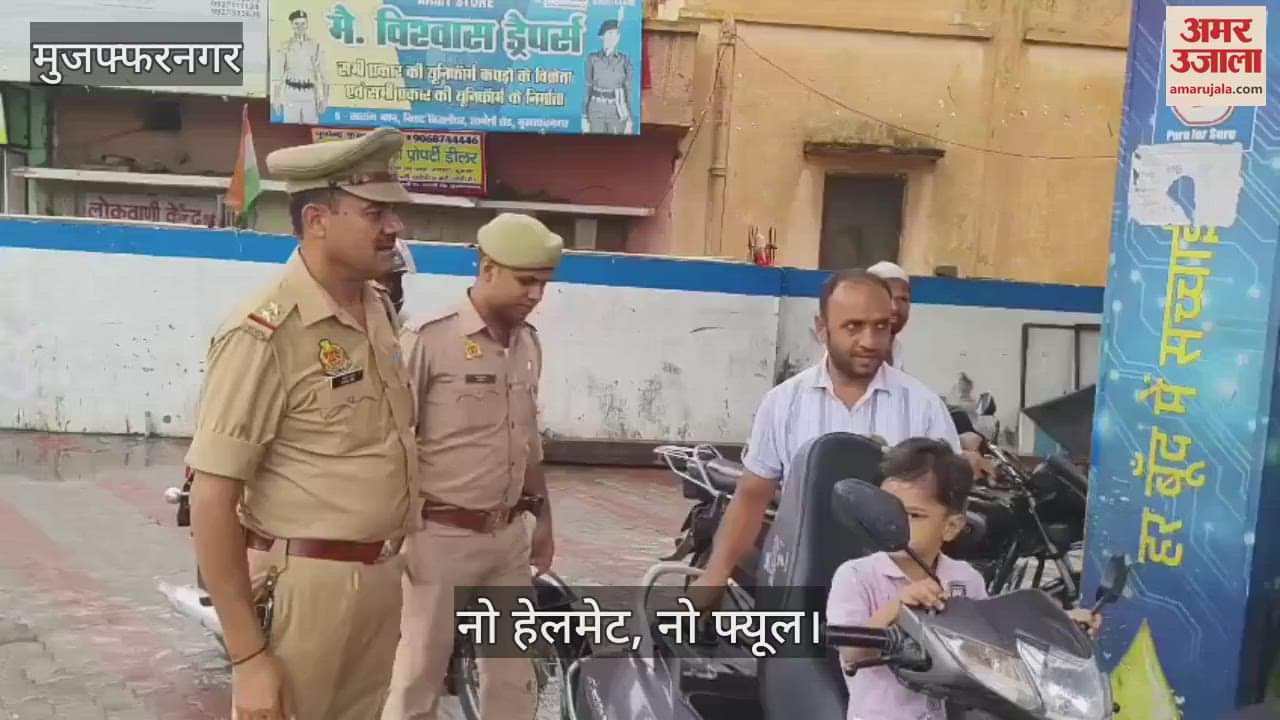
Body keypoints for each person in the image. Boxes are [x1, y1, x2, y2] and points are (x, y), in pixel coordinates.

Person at [185, 126, 418, 720]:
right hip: (306, 591)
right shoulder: (263, 332)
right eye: (374, 212)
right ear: (317, 219)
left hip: (381, 582)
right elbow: (213, 496)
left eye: (392, 211)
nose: (393, 228)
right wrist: (247, 659)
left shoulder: (377, 310)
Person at [688, 269, 964, 607]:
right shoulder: (783, 403)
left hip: (893, 600)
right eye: (853, 327)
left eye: (881, 326)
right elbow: (751, 498)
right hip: (800, 585)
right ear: (822, 329)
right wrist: (715, 574)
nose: (869, 341)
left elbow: (945, 511)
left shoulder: (924, 408)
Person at [383, 212, 563, 720]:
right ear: (486, 268)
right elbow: (393, 439)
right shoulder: (428, 339)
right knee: (420, 672)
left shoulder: (527, 345)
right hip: (439, 535)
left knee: (512, 678)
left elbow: (526, 441)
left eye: (543, 284)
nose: (535, 295)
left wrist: (543, 519)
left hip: (507, 538)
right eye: (525, 281)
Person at [827, 438, 1101, 720]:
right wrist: (897, 607)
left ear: (952, 526)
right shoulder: (856, 576)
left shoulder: (965, 578)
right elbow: (851, 653)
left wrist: (1060, 628)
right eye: (887, 510)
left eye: (913, 514)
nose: (893, 523)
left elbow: (995, 649)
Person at [273, 9, 328, 124]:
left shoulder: (315, 45)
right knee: (289, 130)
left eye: (303, 23)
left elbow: (324, 75)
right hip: (291, 93)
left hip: (310, 94)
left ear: (307, 24)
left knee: (311, 128)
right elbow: (278, 75)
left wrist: (325, 99)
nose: (300, 27)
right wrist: (276, 99)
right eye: (296, 24)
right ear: (292, 25)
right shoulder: (285, 45)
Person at [582, 19, 634, 134]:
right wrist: (584, 117)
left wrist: (630, 119)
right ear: (602, 36)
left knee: (616, 147)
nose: (613, 37)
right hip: (596, 108)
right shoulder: (592, 59)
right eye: (610, 33)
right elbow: (587, 87)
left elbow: (629, 90)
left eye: (616, 34)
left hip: (617, 109)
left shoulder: (624, 60)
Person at [867, 261, 910, 370]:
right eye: (887, 297)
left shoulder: (896, 350)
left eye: (902, 299)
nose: (894, 307)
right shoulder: (853, 352)